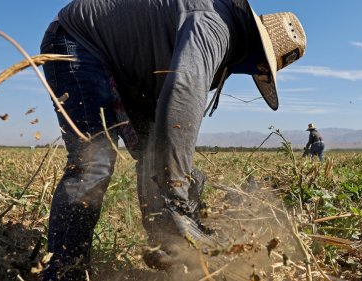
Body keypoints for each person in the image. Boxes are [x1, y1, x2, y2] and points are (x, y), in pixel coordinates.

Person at [39, 0, 306, 280]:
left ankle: (168, 247)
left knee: (161, 160)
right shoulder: (214, 26)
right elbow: (182, 89)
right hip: (78, 40)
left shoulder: (220, 33)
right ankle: (64, 269)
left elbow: (167, 123)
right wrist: (176, 194)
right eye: (262, 68)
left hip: (125, 67)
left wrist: (174, 204)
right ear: (261, 58)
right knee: (94, 163)